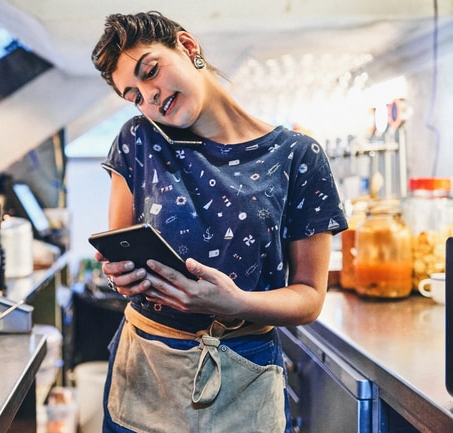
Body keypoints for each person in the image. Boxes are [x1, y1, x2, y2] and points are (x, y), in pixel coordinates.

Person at [91, 11, 347, 433]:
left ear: (188, 48)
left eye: (150, 72)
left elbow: (309, 297)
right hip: (146, 367)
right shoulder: (139, 139)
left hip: (246, 368)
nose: (149, 98)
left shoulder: (297, 155)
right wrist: (121, 276)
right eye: (133, 94)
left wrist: (236, 303)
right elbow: (119, 251)